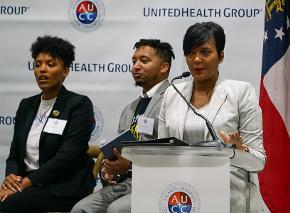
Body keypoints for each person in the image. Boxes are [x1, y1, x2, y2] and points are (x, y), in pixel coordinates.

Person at [158, 22, 266, 212]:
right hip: (182, 195)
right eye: (190, 53)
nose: (196, 59)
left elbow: (258, 161)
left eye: (205, 52)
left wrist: (239, 151)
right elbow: (162, 152)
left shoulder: (241, 92)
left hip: (231, 195)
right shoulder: (172, 93)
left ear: (221, 55)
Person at [71, 39, 175, 213]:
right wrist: (110, 171)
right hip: (128, 182)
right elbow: (122, 150)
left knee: (116, 210)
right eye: (134, 61)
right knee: (80, 209)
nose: (136, 66)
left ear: (164, 67)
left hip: (159, 182)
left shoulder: (174, 101)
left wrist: (130, 165)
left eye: (144, 60)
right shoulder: (130, 108)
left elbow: (173, 154)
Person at [0, 35, 96, 212]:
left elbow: (67, 158)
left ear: (65, 71)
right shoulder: (26, 105)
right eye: (37, 65)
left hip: (63, 186)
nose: (42, 70)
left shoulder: (79, 104)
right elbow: (15, 153)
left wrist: (24, 184)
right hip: (26, 182)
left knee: (8, 206)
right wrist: (11, 178)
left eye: (50, 64)